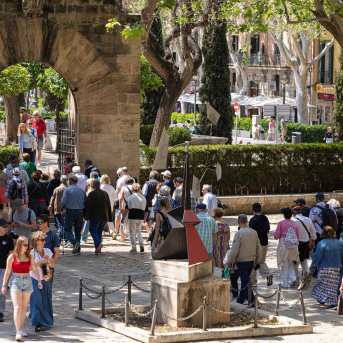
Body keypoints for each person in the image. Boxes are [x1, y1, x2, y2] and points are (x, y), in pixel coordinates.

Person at [1, 236, 42, 341]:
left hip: (27, 281)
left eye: (27, 245)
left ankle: (21, 328)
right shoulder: (12, 257)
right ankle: (17, 332)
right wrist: (4, 285)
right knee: (17, 308)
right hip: (15, 281)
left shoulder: (30, 256)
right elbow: (7, 272)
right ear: (19, 245)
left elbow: (34, 269)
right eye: (24, 245)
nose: (26, 247)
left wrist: (39, 281)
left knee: (24, 308)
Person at [224, 214, 262, 305]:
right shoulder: (254, 232)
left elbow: (234, 250)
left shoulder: (239, 233)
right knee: (245, 279)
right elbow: (259, 248)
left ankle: (252, 299)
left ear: (239, 222)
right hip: (251, 260)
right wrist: (257, 260)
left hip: (242, 260)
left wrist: (229, 261)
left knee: (245, 281)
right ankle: (241, 298)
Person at [310, 226, 343, 309]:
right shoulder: (338, 243)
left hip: (324, 267)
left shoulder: (322, 243)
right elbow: (341, 255)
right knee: (333, 285)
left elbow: (317, 256)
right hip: (336, 267)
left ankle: (330, 301)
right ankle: (327, 300)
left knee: (321, 284)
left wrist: (313, 267)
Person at [29, 231, 55, 332]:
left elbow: (52, 265)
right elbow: (30, 269)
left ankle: (47, 321)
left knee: (46, 300)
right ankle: (38, 323)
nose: (44, 242)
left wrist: (49, 261)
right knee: (37, 301)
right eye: (42, 240)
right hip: (35, 279)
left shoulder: (47, 251)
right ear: (36, 241)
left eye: (44, 239)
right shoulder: (31, 253)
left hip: (46, 279)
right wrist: (40, 262)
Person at [61, 175, 87, 255]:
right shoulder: (82, 190)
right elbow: (85, 201)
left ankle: (75, 243)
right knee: (78, 231)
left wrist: (63, 207)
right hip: (80, 211)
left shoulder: (68, 189)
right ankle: (77, 249)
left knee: (67, 229)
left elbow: (63, 201)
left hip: (70, 211)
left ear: (70, 181)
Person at [84, 180, 112, 254]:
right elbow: (108, 206)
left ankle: (97, 244)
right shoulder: (105, 193)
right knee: (99, 231)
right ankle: (98, 248)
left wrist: (86, 216)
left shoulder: (92, 193)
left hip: (95, 215)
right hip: (103, 216)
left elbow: (89, 205)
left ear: (92, 186)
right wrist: (109, 216)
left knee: (93, 230)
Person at [274, 208, 300, 289]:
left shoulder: (281, 223)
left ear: (284, 215)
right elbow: (297, 236)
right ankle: (293, 278)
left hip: (284, 243)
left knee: (284, 263)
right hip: (294, 245)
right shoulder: (295, 224)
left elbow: (276, 236)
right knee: (291, 262)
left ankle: (285, 282)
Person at [249, 203, 273, 287]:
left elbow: (252, 233)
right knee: (261, 261)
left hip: (256, 243)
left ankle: (253, 281)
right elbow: (267, 231)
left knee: (253, 262)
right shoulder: (265, 218)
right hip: (264, 242)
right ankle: (267, 274)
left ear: (253, 210)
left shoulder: (253, 220)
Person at [292, 205, 316, 279]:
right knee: (304, 259)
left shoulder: (294, 221)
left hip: (296, 243)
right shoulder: (308, 219)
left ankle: (296, 278)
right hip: (306, 242)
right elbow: (313, 232)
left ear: (294, 212)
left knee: (294, 261)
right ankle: (307, 275)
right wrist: (312, 242)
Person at [125, 183, 146, 253]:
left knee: (132, 232)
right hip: (141, 216)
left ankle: (134, 247)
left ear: (132, 189)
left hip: (132, 215)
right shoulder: (143, 198)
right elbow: (146, 210)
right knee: (138, 231)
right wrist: (145, 218)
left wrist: (123, 218)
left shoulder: (130, 198)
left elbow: (126, 209)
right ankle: (141, 244)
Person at [0, 218, 14, 323]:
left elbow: (11, 255)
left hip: (3, 269)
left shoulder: (9, 240)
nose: (6, 228)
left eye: (7, 226)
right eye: (4, 226)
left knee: (2, 291)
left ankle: (0, 312)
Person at [49, 175, 68, 245]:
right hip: (66, 209)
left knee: (60, 225)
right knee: (63, 225)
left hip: (58, 209)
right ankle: (59, 240)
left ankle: (65, 240)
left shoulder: (57, 189)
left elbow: (53, 198)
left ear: (61, 181)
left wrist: (50, 206)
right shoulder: (68, 188)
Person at [141, 171, 159, 239]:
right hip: (157, 206)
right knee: (154, 221)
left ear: (150, 177)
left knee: (144, 220)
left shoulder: (147, 184)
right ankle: (153, 233)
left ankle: (149, 232)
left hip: (147, 205)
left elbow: (144, 194)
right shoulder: (160, 184)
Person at [100, 174, 117, 239]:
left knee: (101, 218)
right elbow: (115, 197)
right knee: (109, 219)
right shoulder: (111, 187)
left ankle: (101, 232)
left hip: (101, 204)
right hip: (110, 204)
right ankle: (112, 231)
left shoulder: (100, 187)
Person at [81, 178, 94, 243]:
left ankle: (84, 237)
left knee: (87, 224)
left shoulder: (88, 193)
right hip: (95, 211)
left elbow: (86, 203)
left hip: (89, 211)